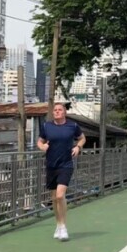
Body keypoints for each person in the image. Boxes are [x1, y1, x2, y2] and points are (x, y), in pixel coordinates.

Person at [38, 103, 86, 241]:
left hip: (66, 164)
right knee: (54, 198)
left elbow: (82, 138)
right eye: (55, 110)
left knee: (60, 196)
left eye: (60, 110)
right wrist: (42, 146)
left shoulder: (73, 126)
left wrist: (78, 147)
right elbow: (40, 141)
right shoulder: (47, 126)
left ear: (64, 112)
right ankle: (58, 225)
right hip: (51, 165)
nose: (57, 112)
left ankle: (63, 227)